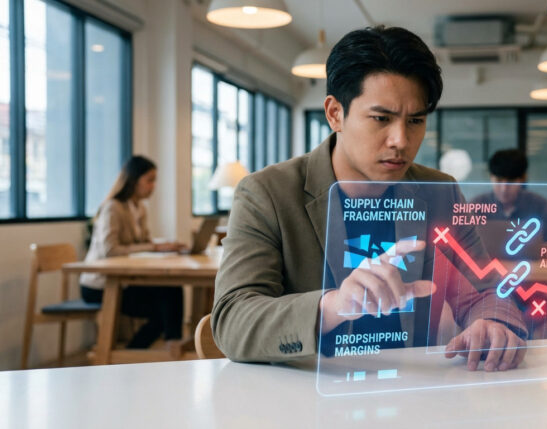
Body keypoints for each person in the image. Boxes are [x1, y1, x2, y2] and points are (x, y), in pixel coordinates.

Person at [213, 26, 527, 372]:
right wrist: (333, 305)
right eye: (381, 118)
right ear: (335, 113)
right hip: (303, 394)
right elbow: (232, 320)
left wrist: (495, 323)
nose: (400, 140)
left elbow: (485, 291)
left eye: (416, 120)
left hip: (413, 392)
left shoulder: (440, 192)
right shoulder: (268, 193)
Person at [80, 156, 186, 349]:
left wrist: (164, 246)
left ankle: (170, 346)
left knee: (172, 290)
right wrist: (154, 247)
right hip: (100, 285)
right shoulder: (113, 208)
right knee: (165, 308)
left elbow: (143, 242)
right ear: (134, 180)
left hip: (125, 282)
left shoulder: (139, 208)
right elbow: (110, 250)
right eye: (150, 180)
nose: (153, 186)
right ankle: (140, 352)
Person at [471, 149, 547, 248]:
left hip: (531, 263)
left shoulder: (539, 205)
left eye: (511, 181)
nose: (504, 189)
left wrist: (535, 250)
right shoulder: (476, 205)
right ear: (491, 177)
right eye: (499, 180)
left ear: (523, 179)